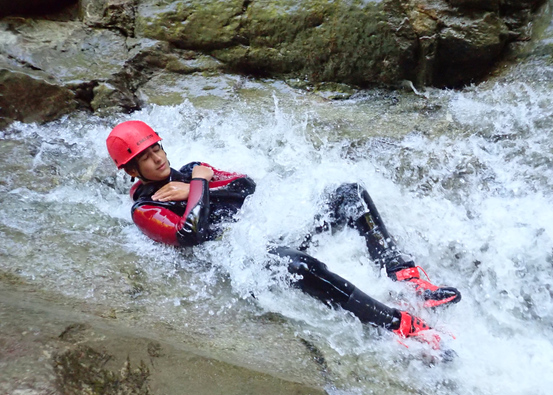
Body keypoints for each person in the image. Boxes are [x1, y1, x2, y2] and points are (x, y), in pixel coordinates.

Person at [106, 120, 461, 350]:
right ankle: (399, 325)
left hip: (264, 228)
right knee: (301, 266)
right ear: (132, 170)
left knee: (350, 194)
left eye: (157, 148)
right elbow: (190, 234)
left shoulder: (188, 171)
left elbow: (247, 186)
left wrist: (197, 185)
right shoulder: (145, 210)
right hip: (238, 254)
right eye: (145, 156)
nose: (157, 159)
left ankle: (404, 273)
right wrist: (199, 185)